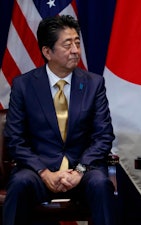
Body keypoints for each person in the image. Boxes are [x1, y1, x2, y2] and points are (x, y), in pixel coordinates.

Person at [3, 15, 116, 225]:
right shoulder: (24, 85)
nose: (75, 50)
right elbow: (15, 140)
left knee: (101, 184)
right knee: (19, 184)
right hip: (39, 171)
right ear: (47, 52)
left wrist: (79, 171)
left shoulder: (94, 84)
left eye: (77, 43)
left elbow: (103, 136)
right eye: (67, 44)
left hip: (82, 170)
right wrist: (44, 172)